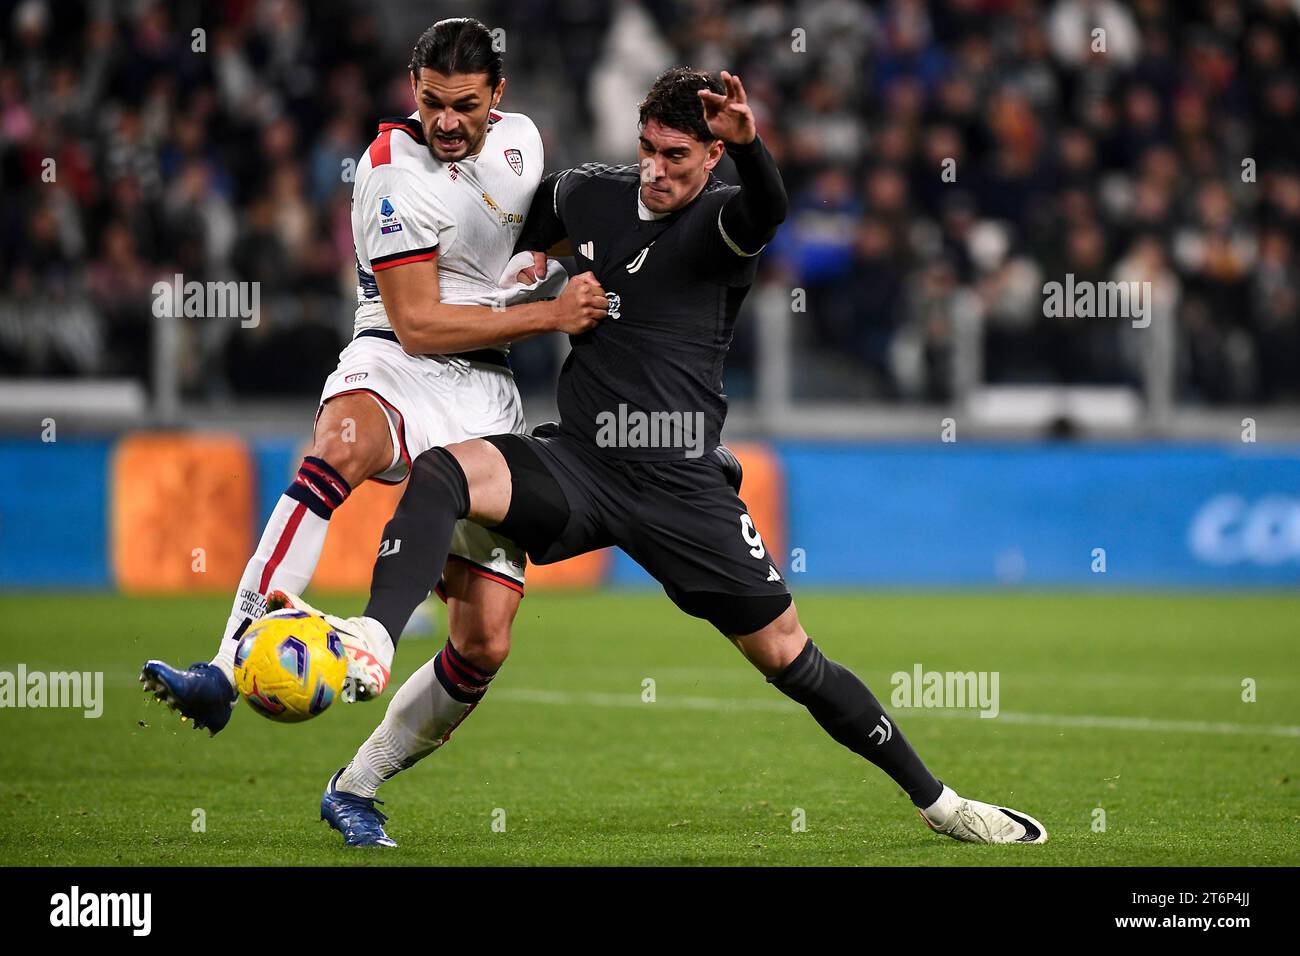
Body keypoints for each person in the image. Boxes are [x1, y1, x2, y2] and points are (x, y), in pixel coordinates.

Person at [314, 67, 1047, 848]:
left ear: (711, 158)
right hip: (582, 464)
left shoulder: (724, 224)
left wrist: (754, 147)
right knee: (445, 473)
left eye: (678, 157)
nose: (657, 171)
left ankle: (942, 804)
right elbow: (493, 227)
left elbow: (770, 209)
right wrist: (519, 267)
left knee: (791, 659)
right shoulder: (588, 194)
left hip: (680, 486)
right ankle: (374, 645)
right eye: (648, 151)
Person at [139, 17, 610, 734]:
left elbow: (511, 237)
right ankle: (224, 667)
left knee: (484, 638)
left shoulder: (525, 144)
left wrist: (540, 260)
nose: (446, 122)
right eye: (431, 102)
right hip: (396, 355)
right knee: (343, 444)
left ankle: (359, 785)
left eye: (465, 105)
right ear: (411, 91)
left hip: (486, 389)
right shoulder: (389, 170)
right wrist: (549, 315)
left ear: (498, 96)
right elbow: (420, 323)